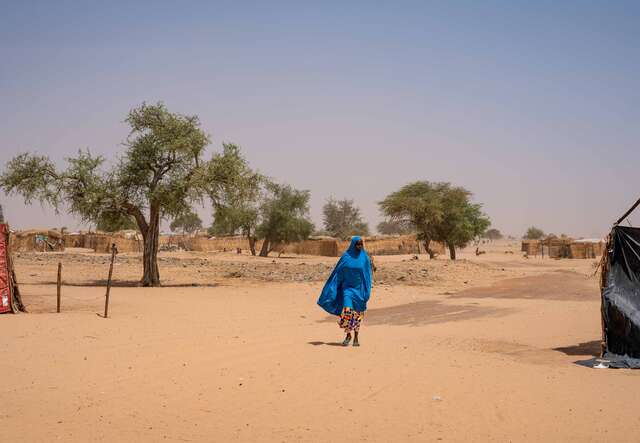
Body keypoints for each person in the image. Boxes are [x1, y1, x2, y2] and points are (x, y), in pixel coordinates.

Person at [317, 236, 372, 347]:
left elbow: (367, 275)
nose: (359, 247)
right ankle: (348, 335)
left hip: (359, 289)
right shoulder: (345, 257)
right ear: (353, 245)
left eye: (361, 245)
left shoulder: (364, 258)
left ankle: (356, 336)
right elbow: (338, 272)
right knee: (347, 312)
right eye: (357, 245)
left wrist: (367, 290)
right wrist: (334, 288)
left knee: (357, 314)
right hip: (347, 289)